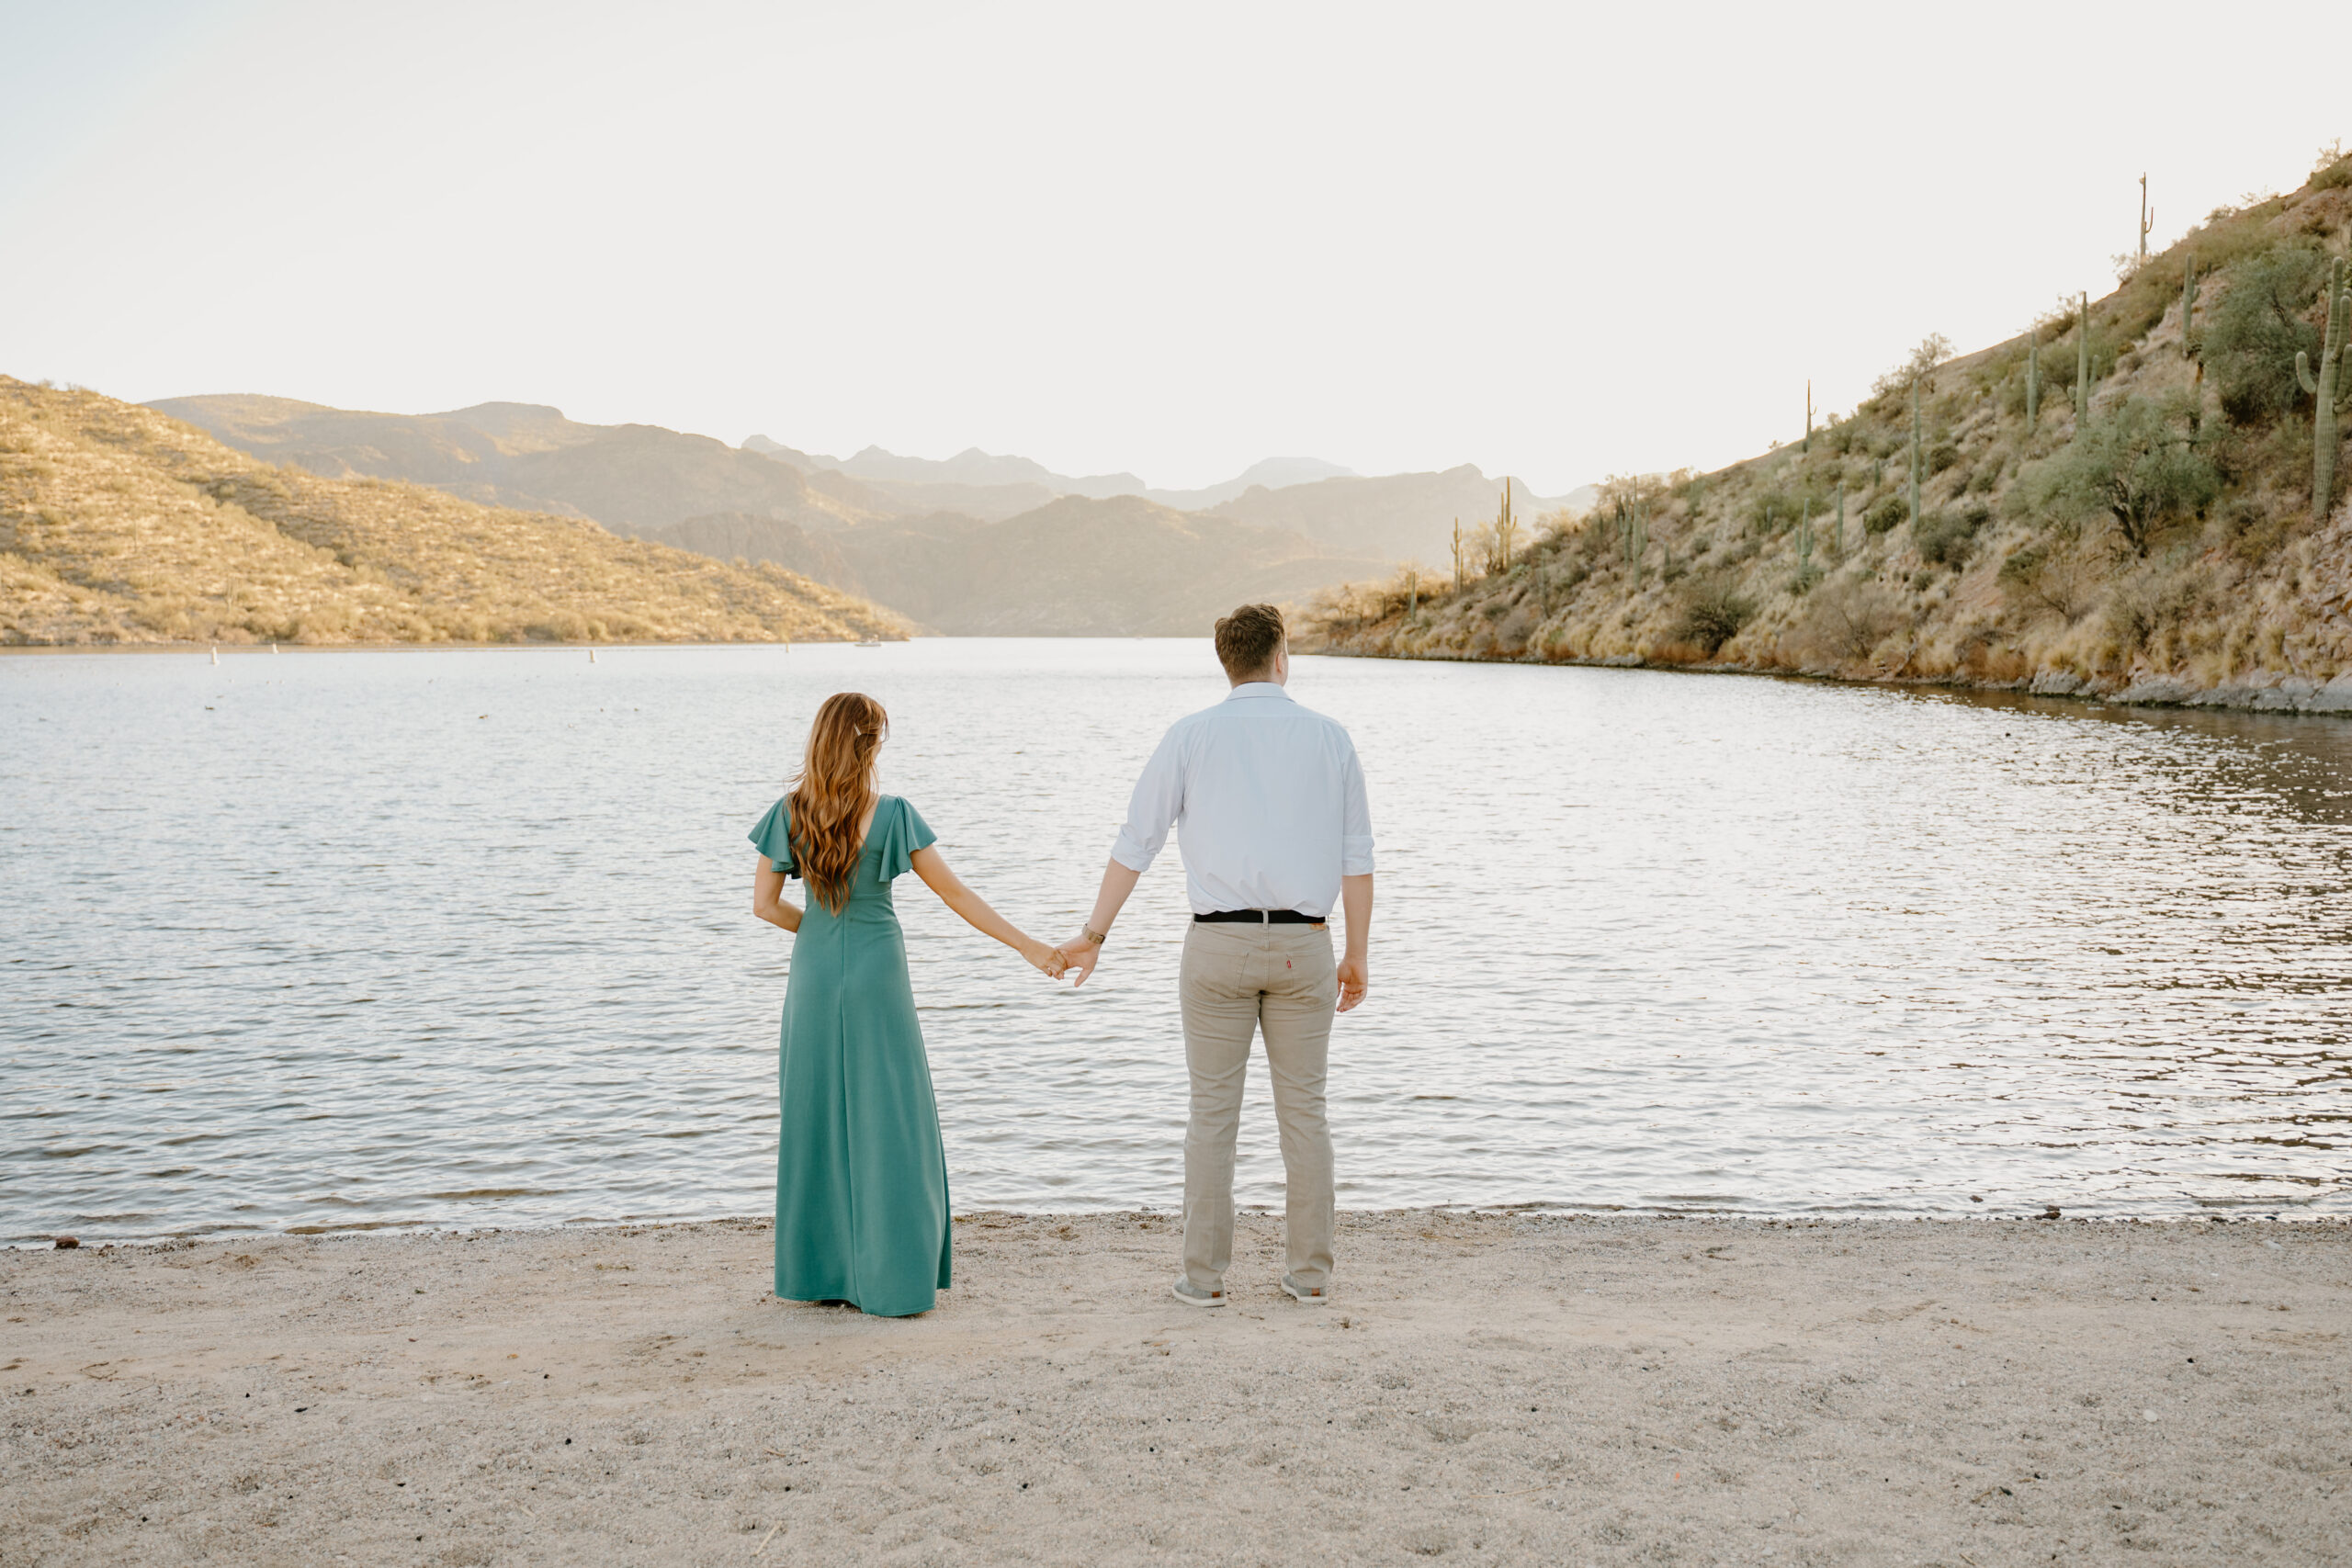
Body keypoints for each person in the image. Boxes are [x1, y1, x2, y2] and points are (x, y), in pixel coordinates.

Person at [1056, 604, 1374, 1308]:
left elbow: (1135, 841)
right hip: (1305, 945)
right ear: (1281, 655)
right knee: (1306, 1115)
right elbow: (1357, 858)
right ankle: (1310, 1275)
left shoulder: (1189, 735)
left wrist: (1095, 934)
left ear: (1226, 662)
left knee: (1211, 1116)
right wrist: (1356, 952)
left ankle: (1203, 1278)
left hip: (1216, 946)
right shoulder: (1331, 739)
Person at [751, 691, 1063, 1317]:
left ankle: (822, 1275)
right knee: (889, 1117)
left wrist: (815, 932)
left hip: (812, 976)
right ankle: (890, 1280)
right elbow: (956, 895)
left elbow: (764, 905)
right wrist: (1030, 946)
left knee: (817, 1115)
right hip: (878, 973)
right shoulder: (891, 814)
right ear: (869, 746)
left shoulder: (788, 813)